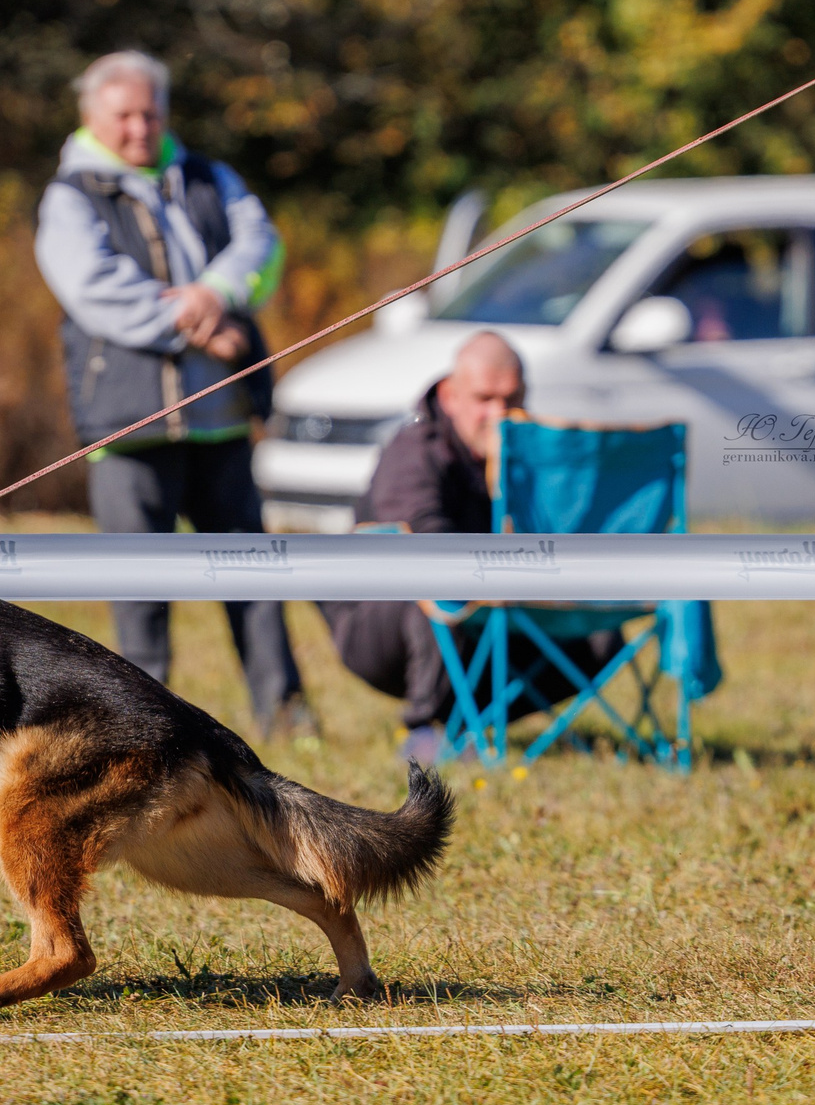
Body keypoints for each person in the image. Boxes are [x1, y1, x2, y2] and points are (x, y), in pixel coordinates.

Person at [35, 50, 313, 738]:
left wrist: (212, 295)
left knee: (253, 578)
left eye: (150, 112)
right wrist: (200, 330)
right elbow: (98, 292)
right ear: (91, 117)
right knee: (140, 595)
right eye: (123, 114)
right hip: (129, 425)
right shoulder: (70, 197)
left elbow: (262, 248)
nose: (139, 127)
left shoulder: (210, 177)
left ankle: (285, 714)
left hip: (221, 419)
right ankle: (144, 728)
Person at [319, 330, 617, 763]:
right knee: (439, 587)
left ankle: (473, 722)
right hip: (380, 619)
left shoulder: (531, 453)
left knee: (599, 634)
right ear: (450, 395)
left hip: (491, 610)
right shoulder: (414, 450)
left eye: (511, 400)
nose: (499, 414)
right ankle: (425, 729)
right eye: (484, 399)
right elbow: (427, 542)